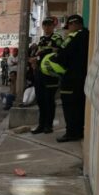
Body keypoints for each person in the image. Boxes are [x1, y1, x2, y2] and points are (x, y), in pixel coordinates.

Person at [41, 13, 89, 142]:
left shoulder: (72, 37)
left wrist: (54, 57)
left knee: (69, 106)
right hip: (83, 77)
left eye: (69, 26)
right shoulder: (88, 35)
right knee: (79, 106)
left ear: (73, 24)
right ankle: (78, 131)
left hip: (71, 78)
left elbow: (62, 57)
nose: (68, 29)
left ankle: (71, 133)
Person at [30, 17, 63, 134]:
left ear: (53, 27)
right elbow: (39, 53)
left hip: (50, 74)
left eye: (49, 25)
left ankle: (48, 125)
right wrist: (34, 60)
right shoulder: (42, 39)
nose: (47, 27)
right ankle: (41, 124)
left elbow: (57, 52)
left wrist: (38, 56)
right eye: (45, 25)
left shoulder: (57, 38)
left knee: (49, 100)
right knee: (40, 100)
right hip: (39, 72)